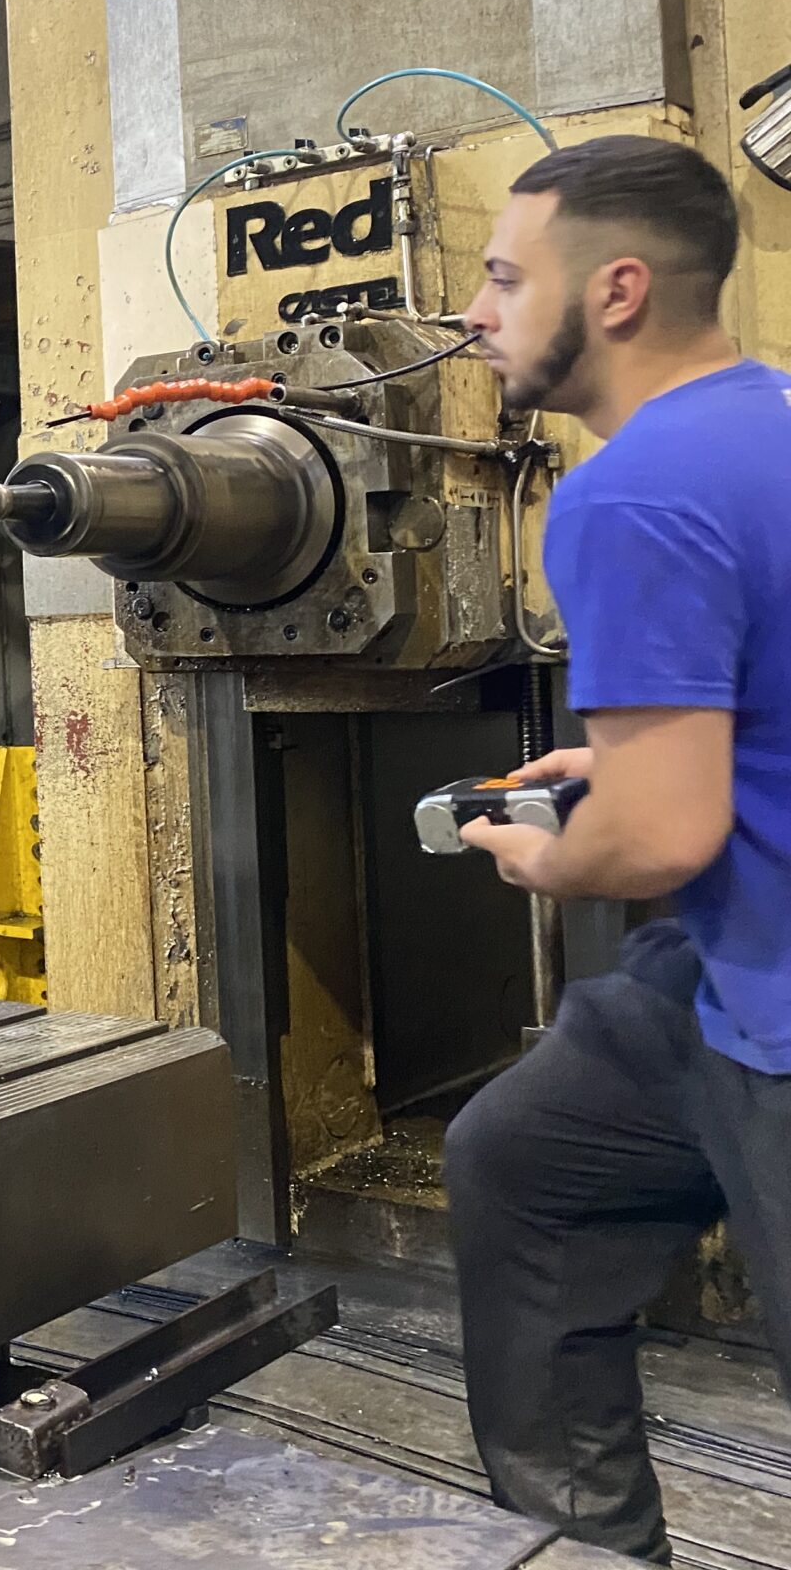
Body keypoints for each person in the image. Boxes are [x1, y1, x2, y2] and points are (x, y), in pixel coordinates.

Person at [446, 134, 791, 1561]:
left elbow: (658, 837)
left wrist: (550, 858)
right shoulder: (773, 414)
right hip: (716, 970)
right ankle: (579, 1545)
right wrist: (653, 749)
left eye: (505, 278)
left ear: (620, 291)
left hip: (779, 1003)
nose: (478, 312)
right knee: (523, 1164)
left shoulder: (628, 492)